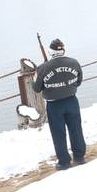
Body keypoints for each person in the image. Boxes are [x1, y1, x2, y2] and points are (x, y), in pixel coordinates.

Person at [33, 38, 86, 170]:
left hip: (54, 105)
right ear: (63, 50)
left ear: (50, 52)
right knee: (76, 129)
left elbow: (36, 88)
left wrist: (37, 77)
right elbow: (79, 81)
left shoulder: (43, 68)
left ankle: (64, 161)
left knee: (58, 133)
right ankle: (79, 156)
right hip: (72, 100)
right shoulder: (74, 62)